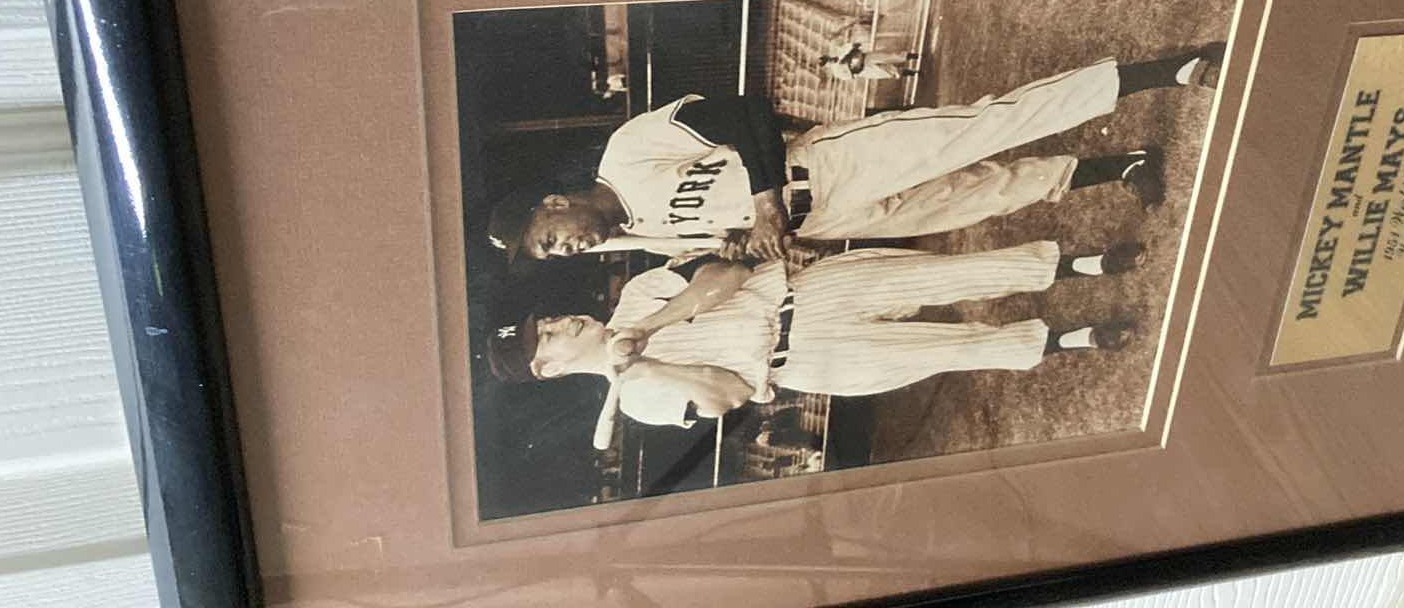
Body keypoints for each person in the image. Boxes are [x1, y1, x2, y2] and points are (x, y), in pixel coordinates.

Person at [485, 45, 1225, 266]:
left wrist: (766, 202)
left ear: (556, 203)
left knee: (985, 128)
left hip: (826, 167)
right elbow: (727, 239)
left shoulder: (628, 151)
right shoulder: (638, 237)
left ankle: (1170, 70)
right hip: (832, 216)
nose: (565, 248)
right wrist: (757, 243)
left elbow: (744, 109)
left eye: (550, 238)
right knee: (982, 194)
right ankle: (1123, 164)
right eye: (551, 257)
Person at [487, 239, 1144, 435]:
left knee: (951, 274)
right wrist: (648, 369)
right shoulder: (636, 402)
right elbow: (732, 394)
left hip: (809, 293)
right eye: (544, 339)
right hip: (808, 359)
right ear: (548, 369)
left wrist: (649, 327)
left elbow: (727, 275)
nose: (556, 324)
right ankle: (1079, 335)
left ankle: (1084, 265)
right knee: (953, 349)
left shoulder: (636, 298)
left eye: (543, 320)